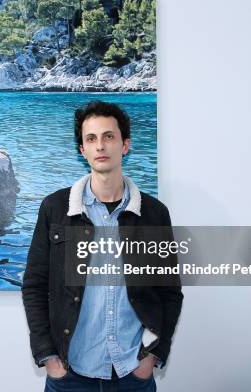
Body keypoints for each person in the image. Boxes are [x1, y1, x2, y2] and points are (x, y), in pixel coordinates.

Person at [21, 101, 183, 392]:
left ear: (125, 145)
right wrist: (48, 356)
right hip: (70, 374)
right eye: (91, 139)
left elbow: (169, 291)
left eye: (109, 136)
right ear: (82, 150)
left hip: (133, 373)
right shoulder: (55, 208)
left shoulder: (154, 214)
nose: (100, 146)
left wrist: (154, 355)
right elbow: (34, 284)